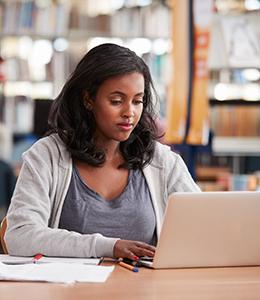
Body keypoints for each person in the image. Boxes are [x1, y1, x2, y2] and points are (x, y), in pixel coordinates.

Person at [4, 43, 200, 260]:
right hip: (67, 291)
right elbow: (19, 236)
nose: (130, 113)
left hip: (142, 290)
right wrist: (107, 246)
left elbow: (203, 226)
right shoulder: (47, 155)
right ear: (88, 99)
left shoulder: (161, 161)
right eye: (116, 101)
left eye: (137, 101)